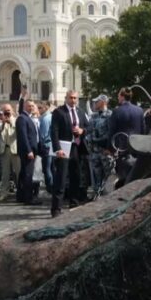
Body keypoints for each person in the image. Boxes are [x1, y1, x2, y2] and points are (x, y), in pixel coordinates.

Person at [50, 90, 89, 218]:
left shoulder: (81, 112)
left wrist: (82, 130)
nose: (73, 100)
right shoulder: (59, 112)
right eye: (71, 98)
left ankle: (74, 203)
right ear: (66, 98)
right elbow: (54, 131)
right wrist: (57, 149)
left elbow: (88, 128)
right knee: (61, 178)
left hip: (77, 148)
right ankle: (56, 208)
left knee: (76, 177)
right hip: (64, 149)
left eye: (75, 98)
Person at [108, 87, 146, 189]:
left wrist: (110, 148)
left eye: (118, 96)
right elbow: (143, 130)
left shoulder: (117, 111)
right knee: (135, 176)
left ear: (122, 96)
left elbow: (111, 131)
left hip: (121, 148)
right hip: (136, 147)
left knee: (123, 177)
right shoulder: (139, 110)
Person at [86, 94, 114, 196]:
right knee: (96, 175)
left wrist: (107, 146)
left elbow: (111, 133)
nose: (94, 104)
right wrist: (90, 140)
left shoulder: (110, 115)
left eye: (96, 102)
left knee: (108, 176)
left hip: (105, 151)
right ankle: (97, 196)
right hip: (94, 151)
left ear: (103, 102)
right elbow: (88, 131)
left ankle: (108, 197)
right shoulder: (93, 116)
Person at [16, 99, 41, 205]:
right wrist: (29, 150)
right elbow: (23, 136)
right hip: (27, 152)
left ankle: (21, 195)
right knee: (28, 175)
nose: (31, 108)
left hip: (31, 151)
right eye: (29, 106)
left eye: (32, 106)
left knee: (24, 174)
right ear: (25, 106)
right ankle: (28, 198)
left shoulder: (28, 118)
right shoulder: (22, 118)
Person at [0, 103, 19, 202]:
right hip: (4, 150)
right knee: (5, 173)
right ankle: (4, 193)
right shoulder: (1, 121)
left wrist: (11, 122)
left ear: (12, 111)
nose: (7, 113)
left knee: (18, 172)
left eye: (8, 111)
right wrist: (3, 123)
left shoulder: (17, 120)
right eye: (5, 111)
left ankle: (20, 191)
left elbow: (18, 132)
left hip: (15, 150)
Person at [37, 102, 54, 194]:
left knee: (47, 168)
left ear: (46, 107)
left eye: (40, 107)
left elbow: (43, 136)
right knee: (51, 168)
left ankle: (50, 187)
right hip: (51, 145)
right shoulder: (49, 116)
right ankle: (52, 186)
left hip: (46, 146)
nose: (39, 109)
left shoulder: (45, 119)